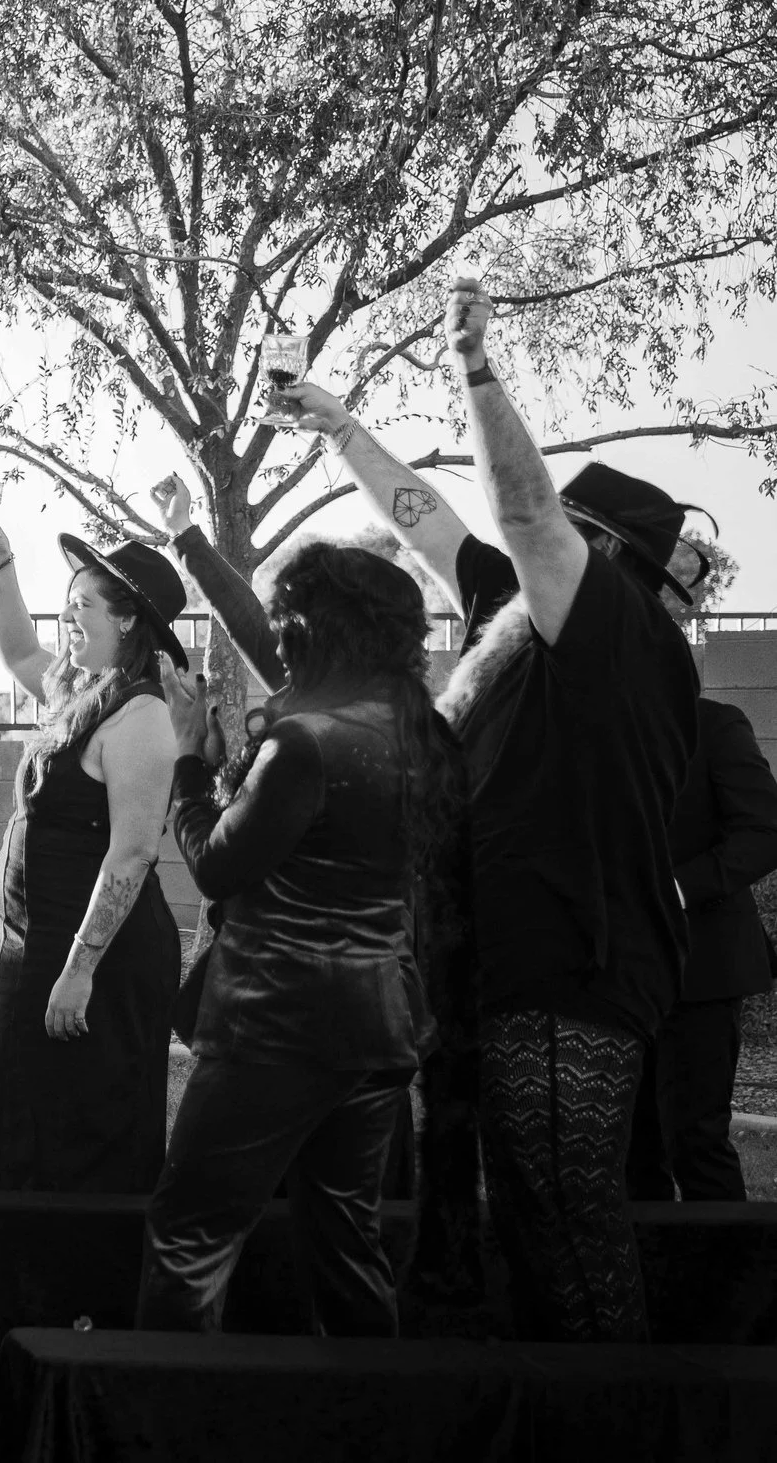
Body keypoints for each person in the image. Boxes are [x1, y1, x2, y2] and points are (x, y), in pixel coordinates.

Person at [277, 279, 702, 1343]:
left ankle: (629, 1420)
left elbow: (520, 510)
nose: (526, 553)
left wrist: (474, 370)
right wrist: (337, 425)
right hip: (493, 964)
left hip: (577, 965)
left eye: (564, 536)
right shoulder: (506, 616)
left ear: (603, 557)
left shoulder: (618, 634)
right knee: (520, 1225)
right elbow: (423, 517)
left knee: (569, 1212)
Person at [134, 542, 460, 1335]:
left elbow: (216, 866)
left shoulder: (305, 741)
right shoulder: (421, 730)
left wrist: (188, 761)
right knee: (347, 1242)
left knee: (189, 1238)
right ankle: (365, 1422)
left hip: (276, 1025)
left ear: (318, 631)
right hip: (379, 1025)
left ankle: (159, 1420)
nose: (275, 639)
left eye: (284, 624)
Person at [0, 519, 182, 1195]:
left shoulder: (141, 716)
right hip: (31, 950)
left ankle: (81, 1293)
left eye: (83, 606)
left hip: (96, 961)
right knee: (11, 1122)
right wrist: (1, 566)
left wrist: (80, 970)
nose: (66, 618)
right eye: (68, 601)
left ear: (130, 620)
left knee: (77, 1141)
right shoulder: (79, 691)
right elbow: (20, 648)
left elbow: (133, 854)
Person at [629, 552, 777, 1203]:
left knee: (697, 1144)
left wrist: (680, 886)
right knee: (631, 1156)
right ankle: (644, 1296)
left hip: (703, 972)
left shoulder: (718, 727)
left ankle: (727, 1299)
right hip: (617, 978)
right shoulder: (596, 745)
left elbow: (765, 832)